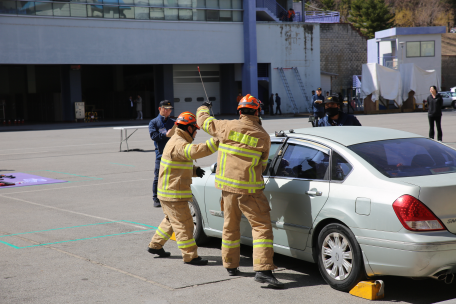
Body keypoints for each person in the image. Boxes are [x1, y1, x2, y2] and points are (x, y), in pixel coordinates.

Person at [196, 94, 284, 289]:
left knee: (230, 225)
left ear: (239, 111)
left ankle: (230, 265)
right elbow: (262, 166)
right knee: (261, 228)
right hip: (250, 191)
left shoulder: (225, 126)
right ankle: (262, 270)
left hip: (227, 190)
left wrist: (204, 107)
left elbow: (203, 121)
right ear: (257, 111)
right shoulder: (263, 136)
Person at [148, 112, 219, 265]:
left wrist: (194, 171)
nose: (196, 132)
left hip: (168, 192)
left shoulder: (176, 139)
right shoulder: (179, 143)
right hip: (174, 194)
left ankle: (155, 245)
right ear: (188, 128)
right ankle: (190, 256)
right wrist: (217, 141)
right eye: (195, 129)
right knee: (185, 224)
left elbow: (178, 165)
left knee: (170, 220)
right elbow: (195, 151)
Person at [149, 100, 176, 208]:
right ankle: (156, 198)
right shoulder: (154, 122)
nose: (168, 111)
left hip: (172, 154)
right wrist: (166, 135)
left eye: (170, 109)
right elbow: (154, 136)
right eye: (166, 109)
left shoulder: (173, 122)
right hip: (160, 154)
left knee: (172, 176)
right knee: (158, 177)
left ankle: (170, 196)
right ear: (160, 109)